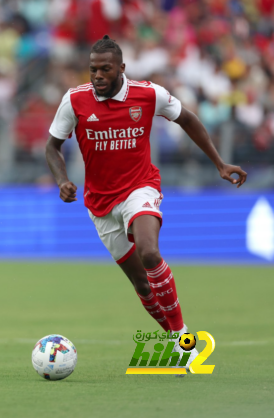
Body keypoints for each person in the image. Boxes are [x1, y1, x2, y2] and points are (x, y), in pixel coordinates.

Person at [45, 35, 247, 371]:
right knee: (141, 283)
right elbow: (51, 147)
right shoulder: (75, 100)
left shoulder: (149, 94)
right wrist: (62, 180)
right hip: (100, 204)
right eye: (93, 69)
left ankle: (183, 339)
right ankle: (177, 343)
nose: (97, 75)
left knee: (150, 252)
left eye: (105, 69)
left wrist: (220, 164)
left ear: (121, 68)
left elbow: (188, 119)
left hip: (140, 187)